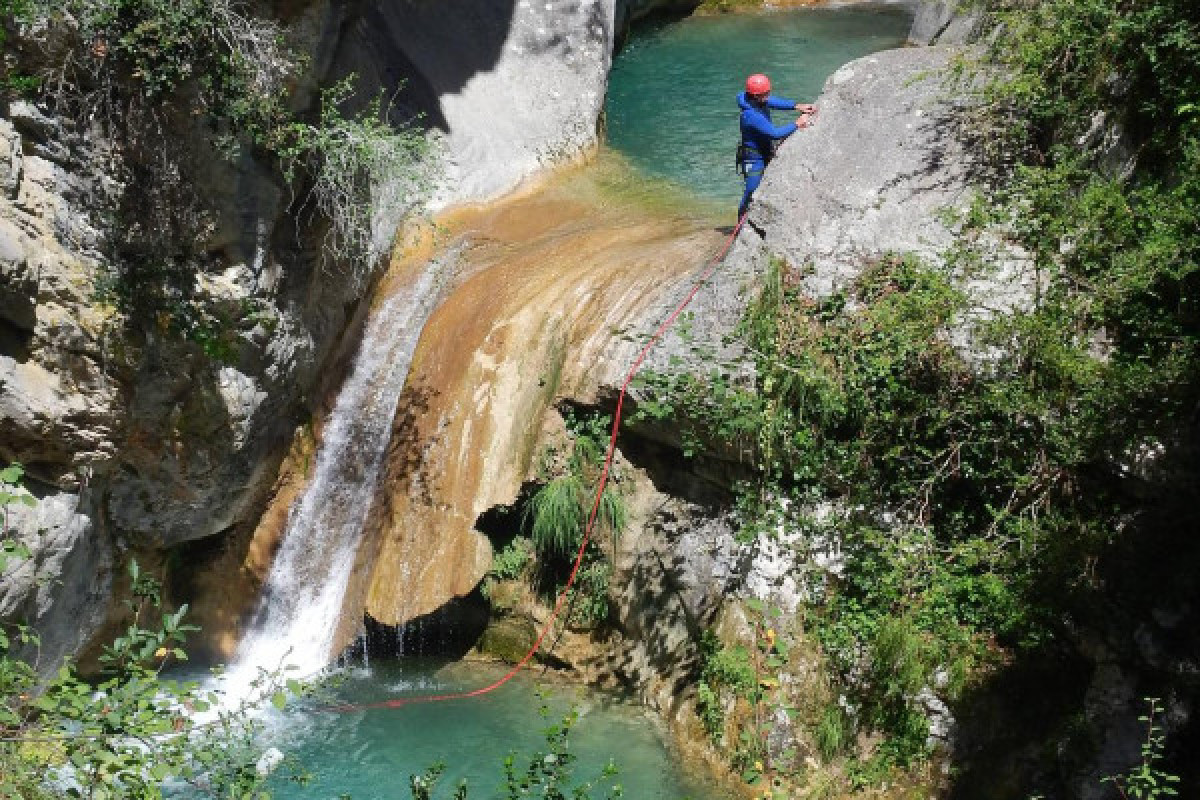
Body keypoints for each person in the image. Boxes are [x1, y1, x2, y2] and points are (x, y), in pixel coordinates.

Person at [737, 73, 816, 218]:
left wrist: (796, 106)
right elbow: (774, 133)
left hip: (765, 149)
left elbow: (772, 102)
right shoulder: (751, 115)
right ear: (755, 96)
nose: (768, 96)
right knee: (751, 189)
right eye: (765, 94)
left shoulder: (754, 99)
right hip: (754, 157)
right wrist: (797, 123)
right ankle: (741, 222)